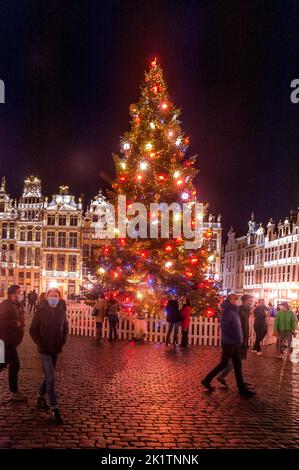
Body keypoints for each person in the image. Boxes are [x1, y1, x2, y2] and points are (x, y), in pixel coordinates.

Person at [201, 294, 255, 397]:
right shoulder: (228, 311)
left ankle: (241, 389)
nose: (237, 301)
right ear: (230, 300)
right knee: (224, 363)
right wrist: (234, 337)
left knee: (237, 365)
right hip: (229, 342)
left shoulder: (233, 311)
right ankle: (206, 380)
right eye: (235, 299)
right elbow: (224, 327)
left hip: (234, 342)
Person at [30, 288, 68, 425]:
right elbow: (33, 330)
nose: (53, 298)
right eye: (51, 296)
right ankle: (55, 409)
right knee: (51, 378)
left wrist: (63, 341)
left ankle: (40, 397)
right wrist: (40, 343)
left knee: (48, 376)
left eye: (56, 296)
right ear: (47, 297)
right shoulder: (40, 312)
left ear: (59, 297)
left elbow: (65, 328)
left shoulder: (62, 312)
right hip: (44, 350)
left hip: (56, 349)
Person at [217, 294, 253, 388]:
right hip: (236, 340)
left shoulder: (244, 310)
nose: (251, 302)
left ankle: (240, 383)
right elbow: (236, 326)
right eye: (250, 300)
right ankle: (220, 377)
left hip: (240, 339)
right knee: (231, 362)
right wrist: (239, 338)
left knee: (237, 363)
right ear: (244, 301)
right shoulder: (240, 311)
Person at [0, 285, 26, 401]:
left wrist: (21, 322)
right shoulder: (6, 305)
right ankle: (14, 391)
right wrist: (14, 323)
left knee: (3, 363)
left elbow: (19, 318)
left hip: (12, 340)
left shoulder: (17, 304)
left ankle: (14, 391)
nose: (20, 294)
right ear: (11, 293)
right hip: (6, 340)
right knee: (15, 364)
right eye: (18, 292)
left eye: (20, 292)